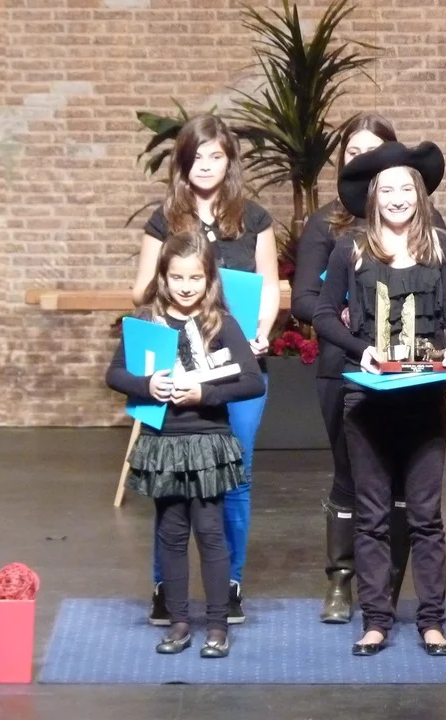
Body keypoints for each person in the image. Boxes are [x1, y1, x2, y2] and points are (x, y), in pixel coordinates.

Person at [313, 141, 446, 656]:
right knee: (373, 516)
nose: (398, 197)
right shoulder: (351, 249)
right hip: (367, 403)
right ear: (373, 196)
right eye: (388, 189)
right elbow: (321, 313)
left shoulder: (441, 248)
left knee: (426, 516)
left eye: (406, 188)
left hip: (423, 402)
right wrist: (360, 350)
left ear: (420, 194)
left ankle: (432, 621)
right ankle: (376, 620)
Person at [291, 112, 446, 623]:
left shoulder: (429, 227)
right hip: (346, 366)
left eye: (375, 151)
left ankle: (389, 587)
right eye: (355, 153)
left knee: (405, 488)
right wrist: (350, 315)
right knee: (351, 475)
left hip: (411, 376)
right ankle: (341, 581)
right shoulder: (329, 226)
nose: (366, 160)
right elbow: (305, 300)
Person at [132, 114, 279, 625]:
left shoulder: (254, 218)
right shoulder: (165, 218)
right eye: (197, 156)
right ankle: (164, 589)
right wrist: (175, 284)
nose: (207, 165)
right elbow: (140, 291)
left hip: (236, 364)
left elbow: (270, 286)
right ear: (182, 163)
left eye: (216, 156)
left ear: (229, 161)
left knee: (235, 477)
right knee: (169, 480)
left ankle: (229, 585)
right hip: (176, 365)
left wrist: (261, 330)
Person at [107, 231, 266, 657]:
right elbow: (115, 373)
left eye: (195, 277)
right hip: (164, 441)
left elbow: (252, 380)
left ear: (209, 278)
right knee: (171, 533)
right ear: (163, 277)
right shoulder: (147, 321)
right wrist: (146, 385)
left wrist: (204, 394)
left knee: (210, 533)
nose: (185, 286)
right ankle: (178, 622)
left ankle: (217, 625)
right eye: (177, 277)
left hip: (207, 440)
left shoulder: (221, 322)